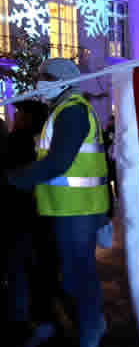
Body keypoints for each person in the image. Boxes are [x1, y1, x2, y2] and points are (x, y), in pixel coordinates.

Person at [6, 58, 110, 347]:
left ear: (59, 82)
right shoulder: (63, 111)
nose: (38, 84)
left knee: (79, 273)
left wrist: (15, 178)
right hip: (68, 209)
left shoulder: (73, 111)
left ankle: (91, 327)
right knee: (72, 271)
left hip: (77, 210)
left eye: (44, 78)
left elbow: (59, 162)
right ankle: (78, 323)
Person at [3, 100, 59, 347]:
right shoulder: (44, 141)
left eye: (20, 114)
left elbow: (12, 178)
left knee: (21, 269)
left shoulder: (18, 141)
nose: (15, 117)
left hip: (20, 216)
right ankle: (40, 318)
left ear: (28, 118)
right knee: (38, 270)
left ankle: (23, 320)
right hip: (41, 214)